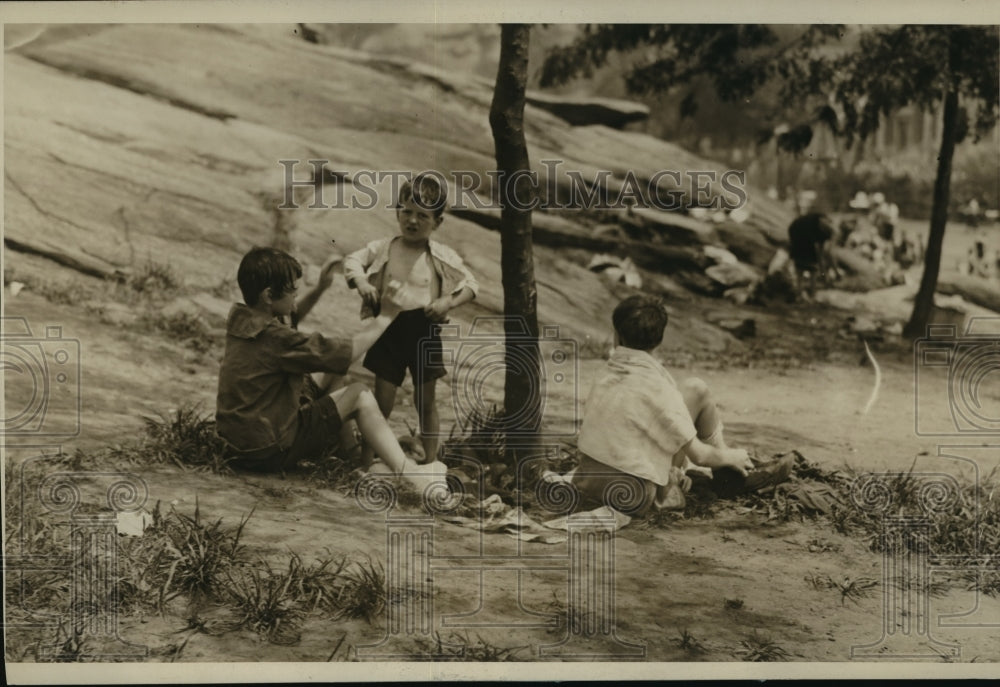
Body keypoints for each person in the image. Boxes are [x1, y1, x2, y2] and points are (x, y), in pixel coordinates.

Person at [215, 246, 442, 487]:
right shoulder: (279, 339)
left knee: (333, 374)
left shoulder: (241, 318)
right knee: (359, 394)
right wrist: (386, 315)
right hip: (269, 451)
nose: (295, 296)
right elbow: (346, 352)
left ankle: (351, 455)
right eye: (292, 290)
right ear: (269, 295)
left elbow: (289, 317)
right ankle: (413, 477)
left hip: (237, 444)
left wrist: (320, 288)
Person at [568, 295, 789, 518]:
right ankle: (730, 471)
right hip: (632, 496)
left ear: (616, 336)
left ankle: (726, 474)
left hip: (588, 481)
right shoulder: (659, 388)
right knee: (697, 403)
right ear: (659, 340)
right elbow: (699, 456)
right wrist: (734, 456)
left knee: (695, 389)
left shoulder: (605, 374)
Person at [344, 174, 478, 466]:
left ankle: (431, 462)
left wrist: (447, 302)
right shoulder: (384, 248)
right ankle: (365, 462)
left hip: (424, 329)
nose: (413, 221)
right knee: (382, 399)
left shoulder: (440, 255)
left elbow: (471, 284)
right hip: (389, 328)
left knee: (425, 400)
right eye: (407, 212)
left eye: (423, 216)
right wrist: (363, 284)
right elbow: (352, 261)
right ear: (397, 211)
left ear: (437, 222)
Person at [787, 212, 839, 300]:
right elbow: (824, 254)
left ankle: (801, 295)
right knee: (811, 268)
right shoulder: (826, 229)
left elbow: (822, 254)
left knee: (802, 266)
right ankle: (810, 295)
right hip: (798, 232)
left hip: (795, 231)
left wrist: (825, 273)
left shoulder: (822, 228)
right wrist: (830, 274)